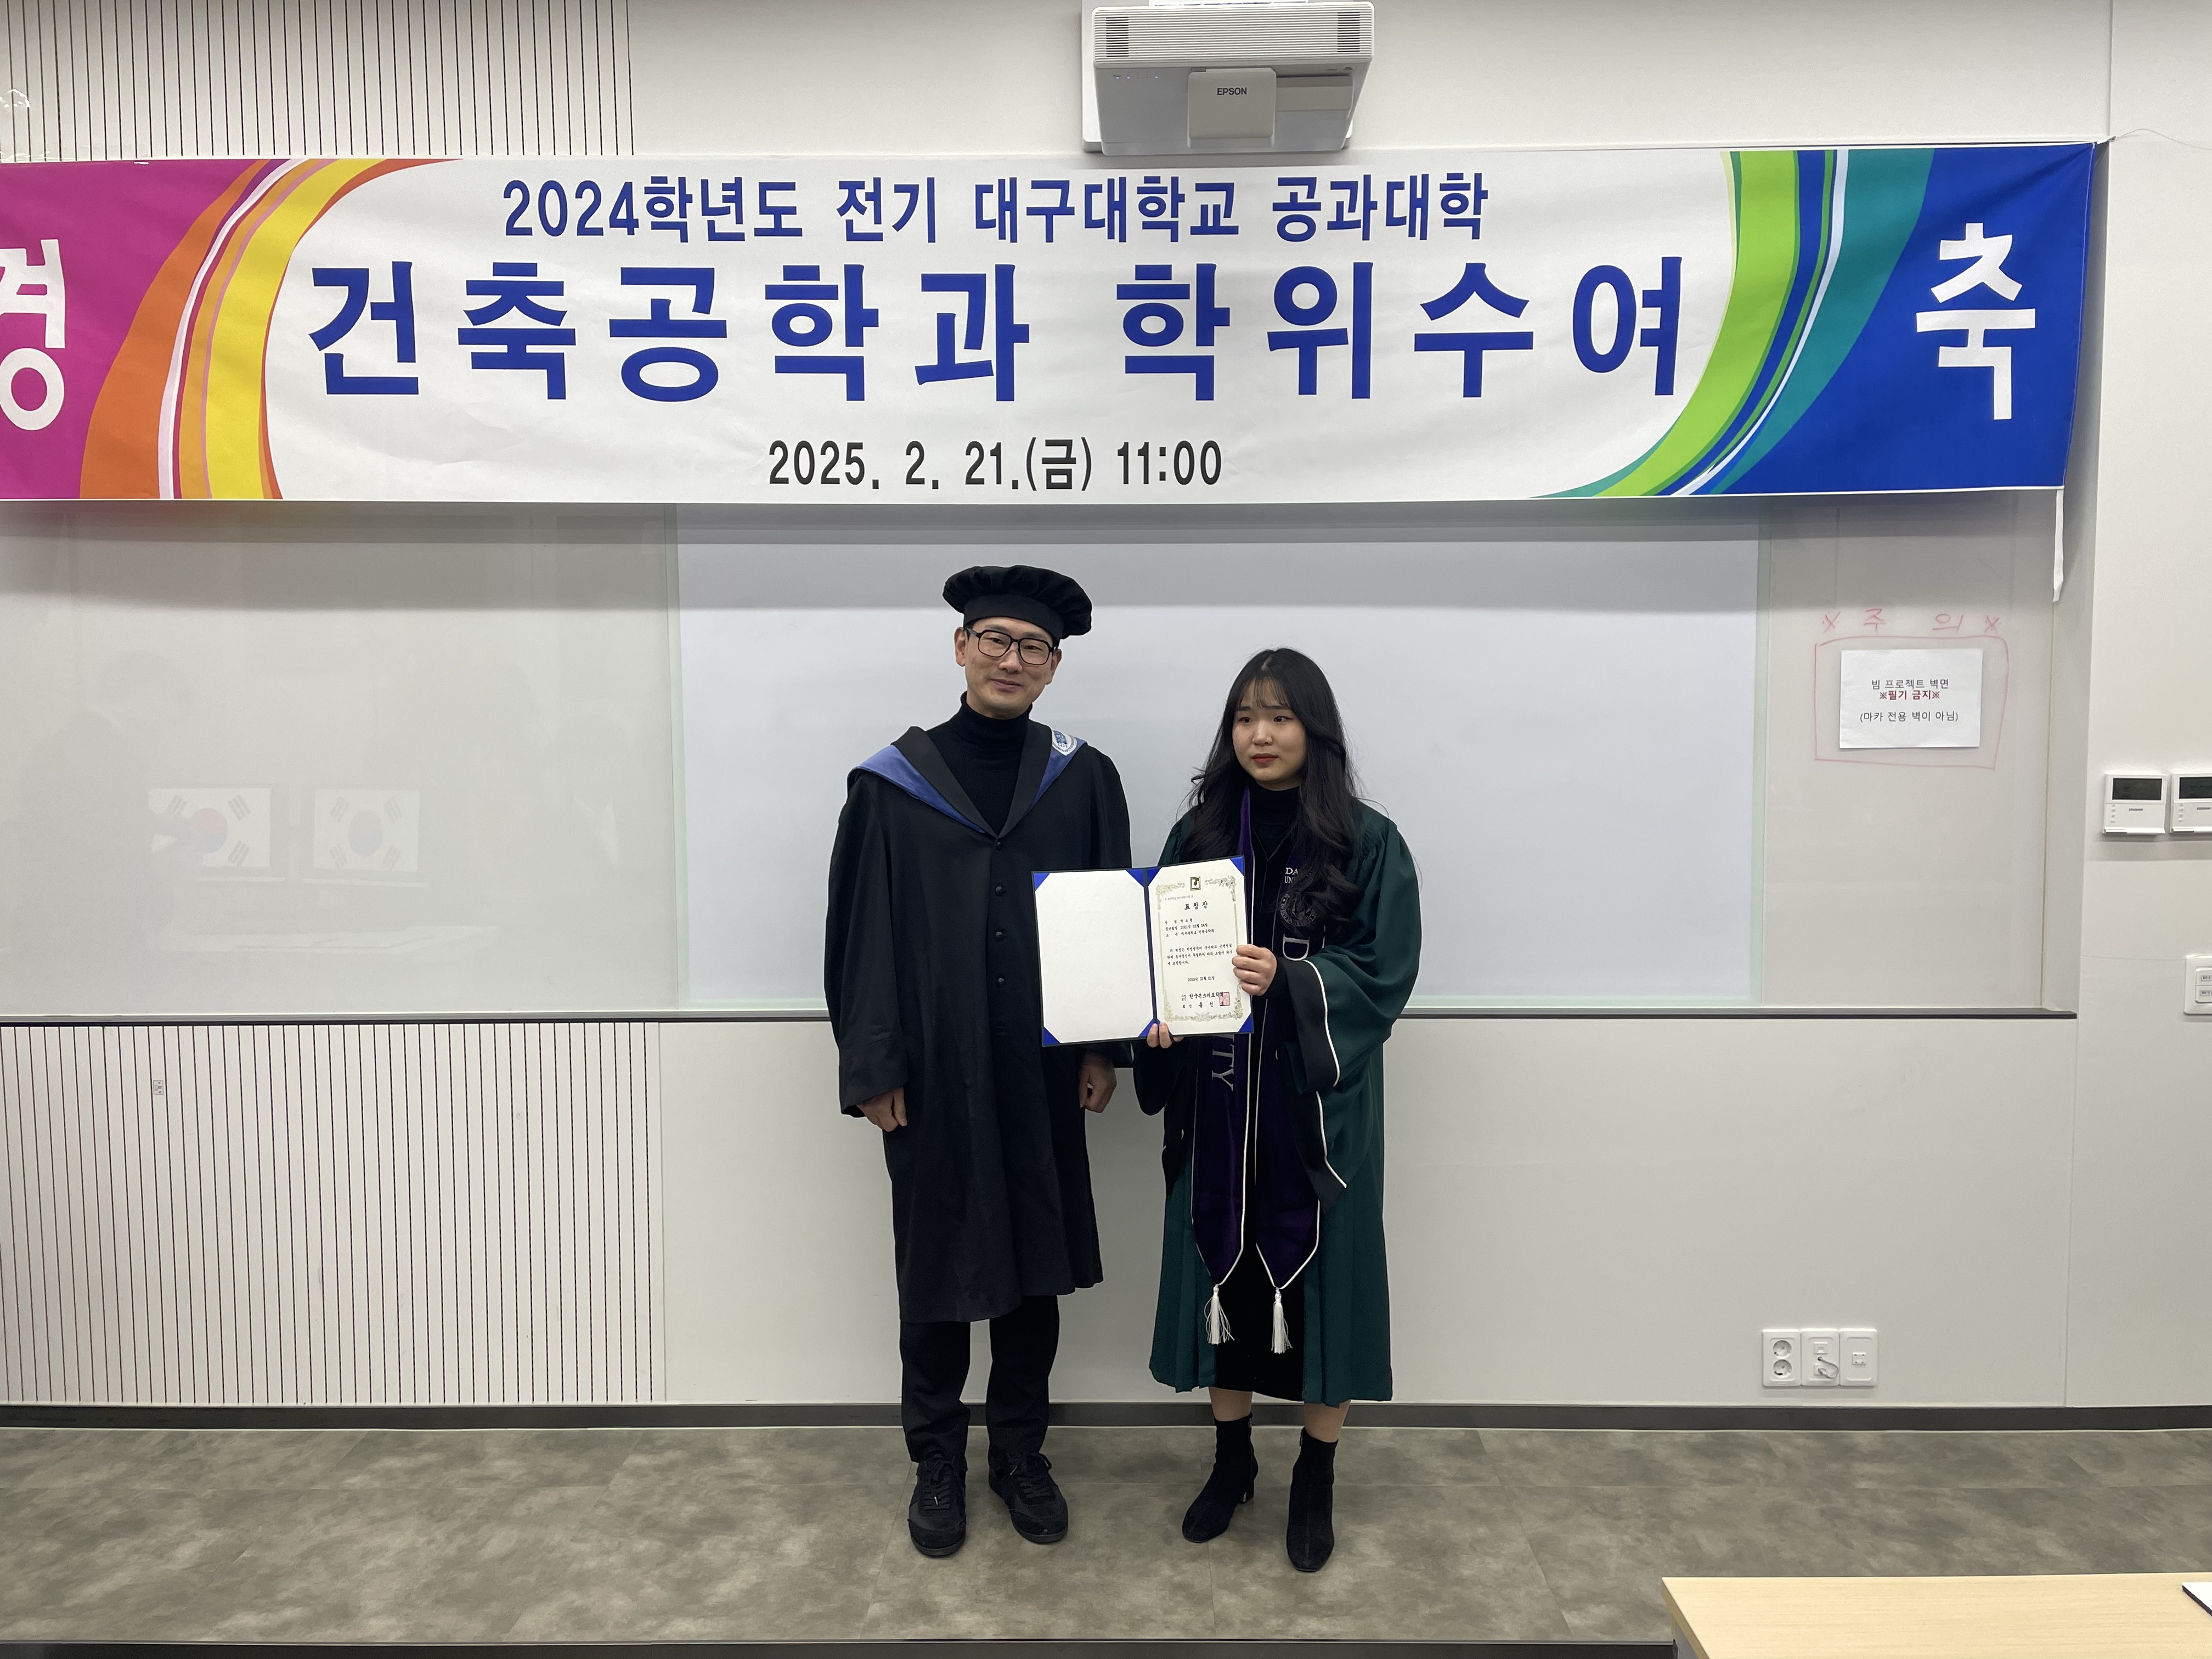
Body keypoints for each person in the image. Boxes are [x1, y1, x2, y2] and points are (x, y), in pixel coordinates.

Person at [824, 565, 1131, 1560]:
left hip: (1042, 1068)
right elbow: (860, 937)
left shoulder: (1084, 779)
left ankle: (1021, 1454)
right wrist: (874, 1066)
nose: (1012, 659)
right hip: (932, 1072)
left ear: (1054, 666)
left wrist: (1102, 1047)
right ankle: (937, 1461)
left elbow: (1110, 924)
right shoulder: (890, 786)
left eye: (1033, 647)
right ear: (960, 648)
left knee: (1033, 1270)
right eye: (994, 639)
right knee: (936, 1270)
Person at [1136, 647, 1421, 1573]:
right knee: (1224, 1289)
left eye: (1281, 717)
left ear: (1315, 729)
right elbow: (1156, 959)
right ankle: (1232, 1463)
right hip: (1218, 1108)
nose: (1260, 735)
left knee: (1323, 1296)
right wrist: (1156, 1020)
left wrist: (1293, 979)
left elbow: (1384, 972)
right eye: (1245, 718)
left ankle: (1314, 1476)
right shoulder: (1198, 837)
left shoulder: (1367, 841)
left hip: (1316, 1122)